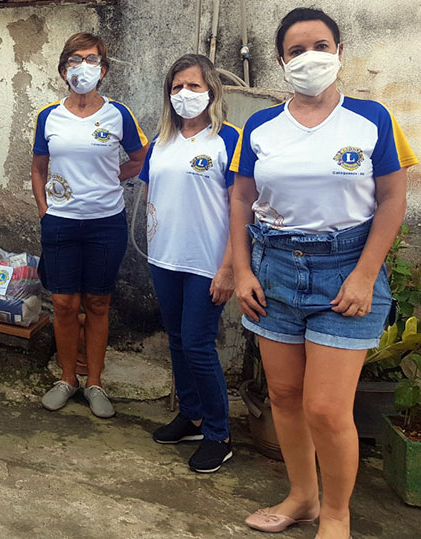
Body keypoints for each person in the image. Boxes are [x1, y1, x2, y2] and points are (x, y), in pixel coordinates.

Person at [229, 8, 417, 538]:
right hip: (275, 270)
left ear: (339, 53)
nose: (308, 57)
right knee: (285, 397)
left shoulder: (372, 119)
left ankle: (337, 515)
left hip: (346, 270)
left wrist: (363, 276)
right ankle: (303, 499)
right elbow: (241, 199)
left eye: (320, 46)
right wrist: (243, 272)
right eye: (295, 50)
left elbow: (392, 199)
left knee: (328, 409)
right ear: (282, 62)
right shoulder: (260, 126)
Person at [32, 32, 149, 418]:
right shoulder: (49, 116)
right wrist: (44, 209)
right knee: (64, 304)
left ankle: (95, 382)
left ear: (103, 69)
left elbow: (139, 157)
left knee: (98, 303)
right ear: (64, 69)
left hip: (105, 223)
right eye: (76, 59)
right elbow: (38, 168)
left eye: (93, 59)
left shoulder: (118, 114)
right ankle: (68, 379)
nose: (84, 67)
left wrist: (110, 178)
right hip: (61, 223)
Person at [139, 54, 239, 473]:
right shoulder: (161, 140)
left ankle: (219, 433)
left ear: (211, 90)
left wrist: (230, 268)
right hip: (165, 257)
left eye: (194, 86)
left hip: (207, 263)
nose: (184, 94)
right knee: (177, 340)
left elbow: (242, 208)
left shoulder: (228, 139)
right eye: (177, 86)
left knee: (199, 345)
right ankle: (192, 417)